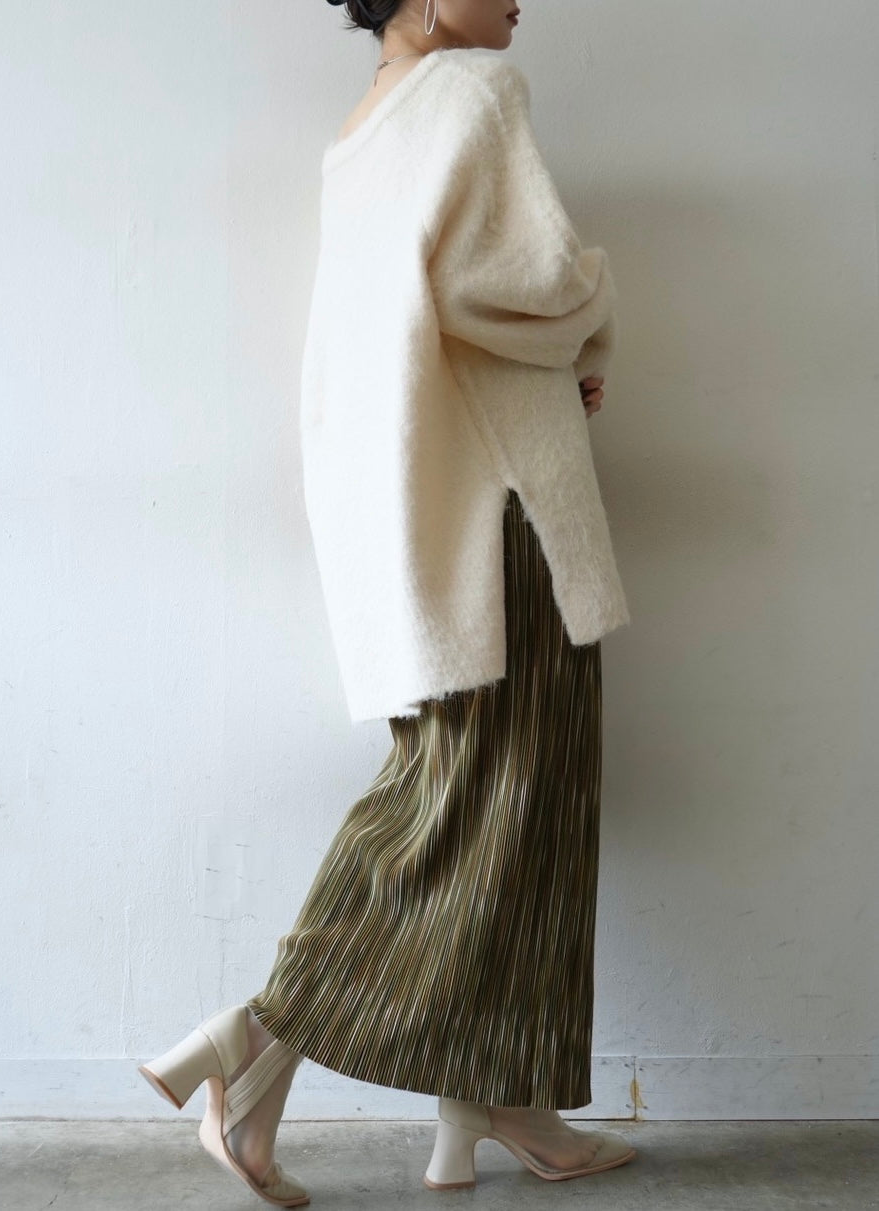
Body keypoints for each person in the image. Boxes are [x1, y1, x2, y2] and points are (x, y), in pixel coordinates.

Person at [137, 0, 636, 1204]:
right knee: (501, 798)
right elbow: (524, 283)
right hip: (505, 511)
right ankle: (262, 1034)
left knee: (470, 792)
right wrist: (591, 319)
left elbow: (413, 323)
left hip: (423, 522)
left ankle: (497, 1100)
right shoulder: (472, 93)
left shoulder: (360, 135)